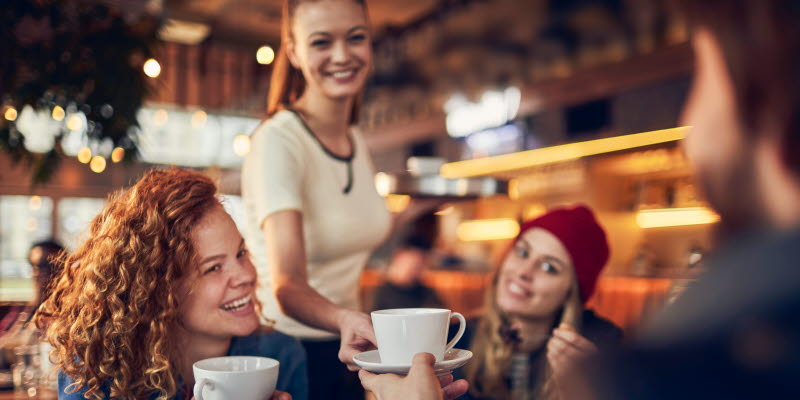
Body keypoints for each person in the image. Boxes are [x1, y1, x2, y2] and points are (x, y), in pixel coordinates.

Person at [362, 0, 800, 398]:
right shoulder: (466, 341)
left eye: (704, 73)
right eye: (523, 252)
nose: (690, 120)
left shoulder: (655, 357)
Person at [240, 0, 428, 398]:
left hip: (345, 345)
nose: (342, 55)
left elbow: (345, 229)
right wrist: (347, 319)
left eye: (356, 38)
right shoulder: (279, 140)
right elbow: (287, 286)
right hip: (290, 351)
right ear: (293, 51)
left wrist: (414, 210)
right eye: (322, 42)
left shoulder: (354, 139)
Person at [34, 169, 306, 400]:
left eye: (241, 253)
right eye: (214, 267)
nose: (246, 275)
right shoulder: (97, 364)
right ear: (159, 289)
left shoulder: (280, 355)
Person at [449, 206, 621, 400]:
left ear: (571, 292)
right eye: (522, 252)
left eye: (549, 267)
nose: (524, 271)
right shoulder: (454, 341)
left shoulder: (604, 350)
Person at [372, 229, 444, 311]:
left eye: (420, 265)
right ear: (399, 256)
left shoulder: (425, 291)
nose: (418, 270)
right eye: (414, 265)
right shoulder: (381, 292)